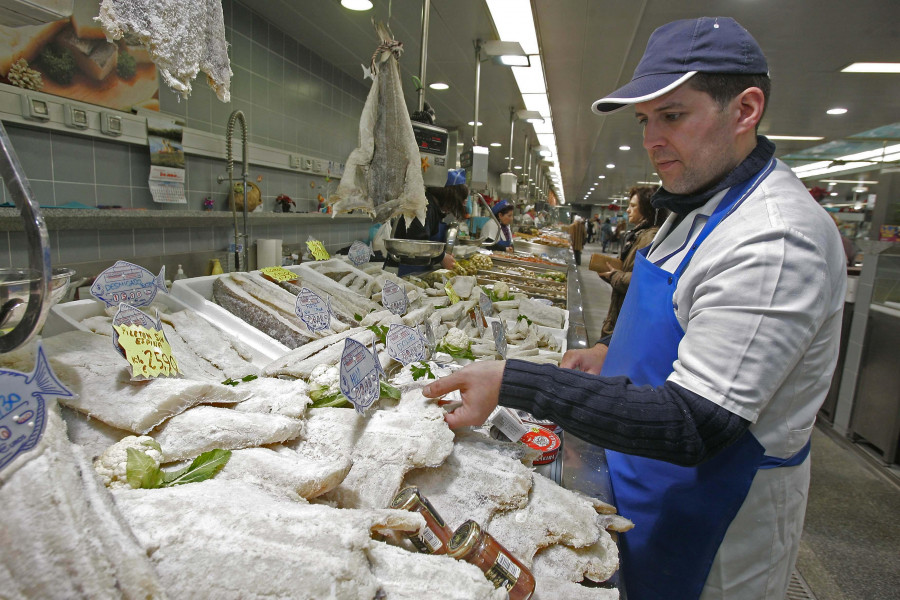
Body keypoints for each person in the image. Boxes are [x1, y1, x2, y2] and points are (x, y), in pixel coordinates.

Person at [423, 17, 846, 600]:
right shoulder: (698, 204)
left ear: (745, 109)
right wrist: (609, 352)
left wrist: (518, 380)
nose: (651, 139)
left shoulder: (773, 239)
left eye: (673, 115)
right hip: (636, 476)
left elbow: (695, 422)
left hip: (711, 512)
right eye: (646, 120)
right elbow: (677, 322)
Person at [598, 185, 667, 338]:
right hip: (622, 311)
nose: (628, 210)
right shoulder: (638, 235)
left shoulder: (649, 237)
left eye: (633, 206)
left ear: (647, 208)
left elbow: (644, 280)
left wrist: (614, 275)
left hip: (629, 318)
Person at [388, 169, 468, 276]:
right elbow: (417, 241)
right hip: (403, 271)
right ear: (451, 195)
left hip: (417, 270)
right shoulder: (425, 206)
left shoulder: (434, 207)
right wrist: (442, 257)